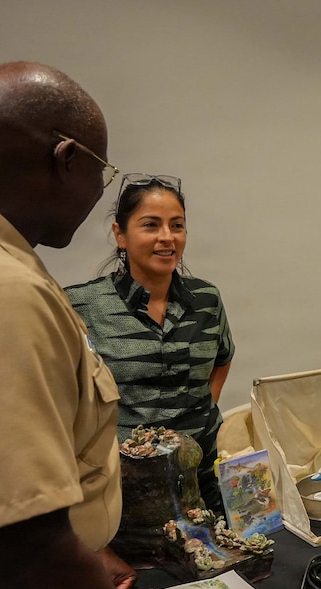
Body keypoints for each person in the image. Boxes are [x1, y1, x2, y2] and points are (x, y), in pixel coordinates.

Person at [0, 62, 222, 589]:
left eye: (177, 223)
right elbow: (24, 550)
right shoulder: (2, 291)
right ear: (66, 159)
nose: (167, 237)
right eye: (101, 175)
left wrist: (79, 538)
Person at [65, 174, 235, 515]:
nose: (167, 237)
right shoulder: (81, 306)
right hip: (124, 495)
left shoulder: (205, 298)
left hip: (204, 486)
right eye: (151, 225)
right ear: (120, 235)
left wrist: (195, 419)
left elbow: (221, 358)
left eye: (177, 225)